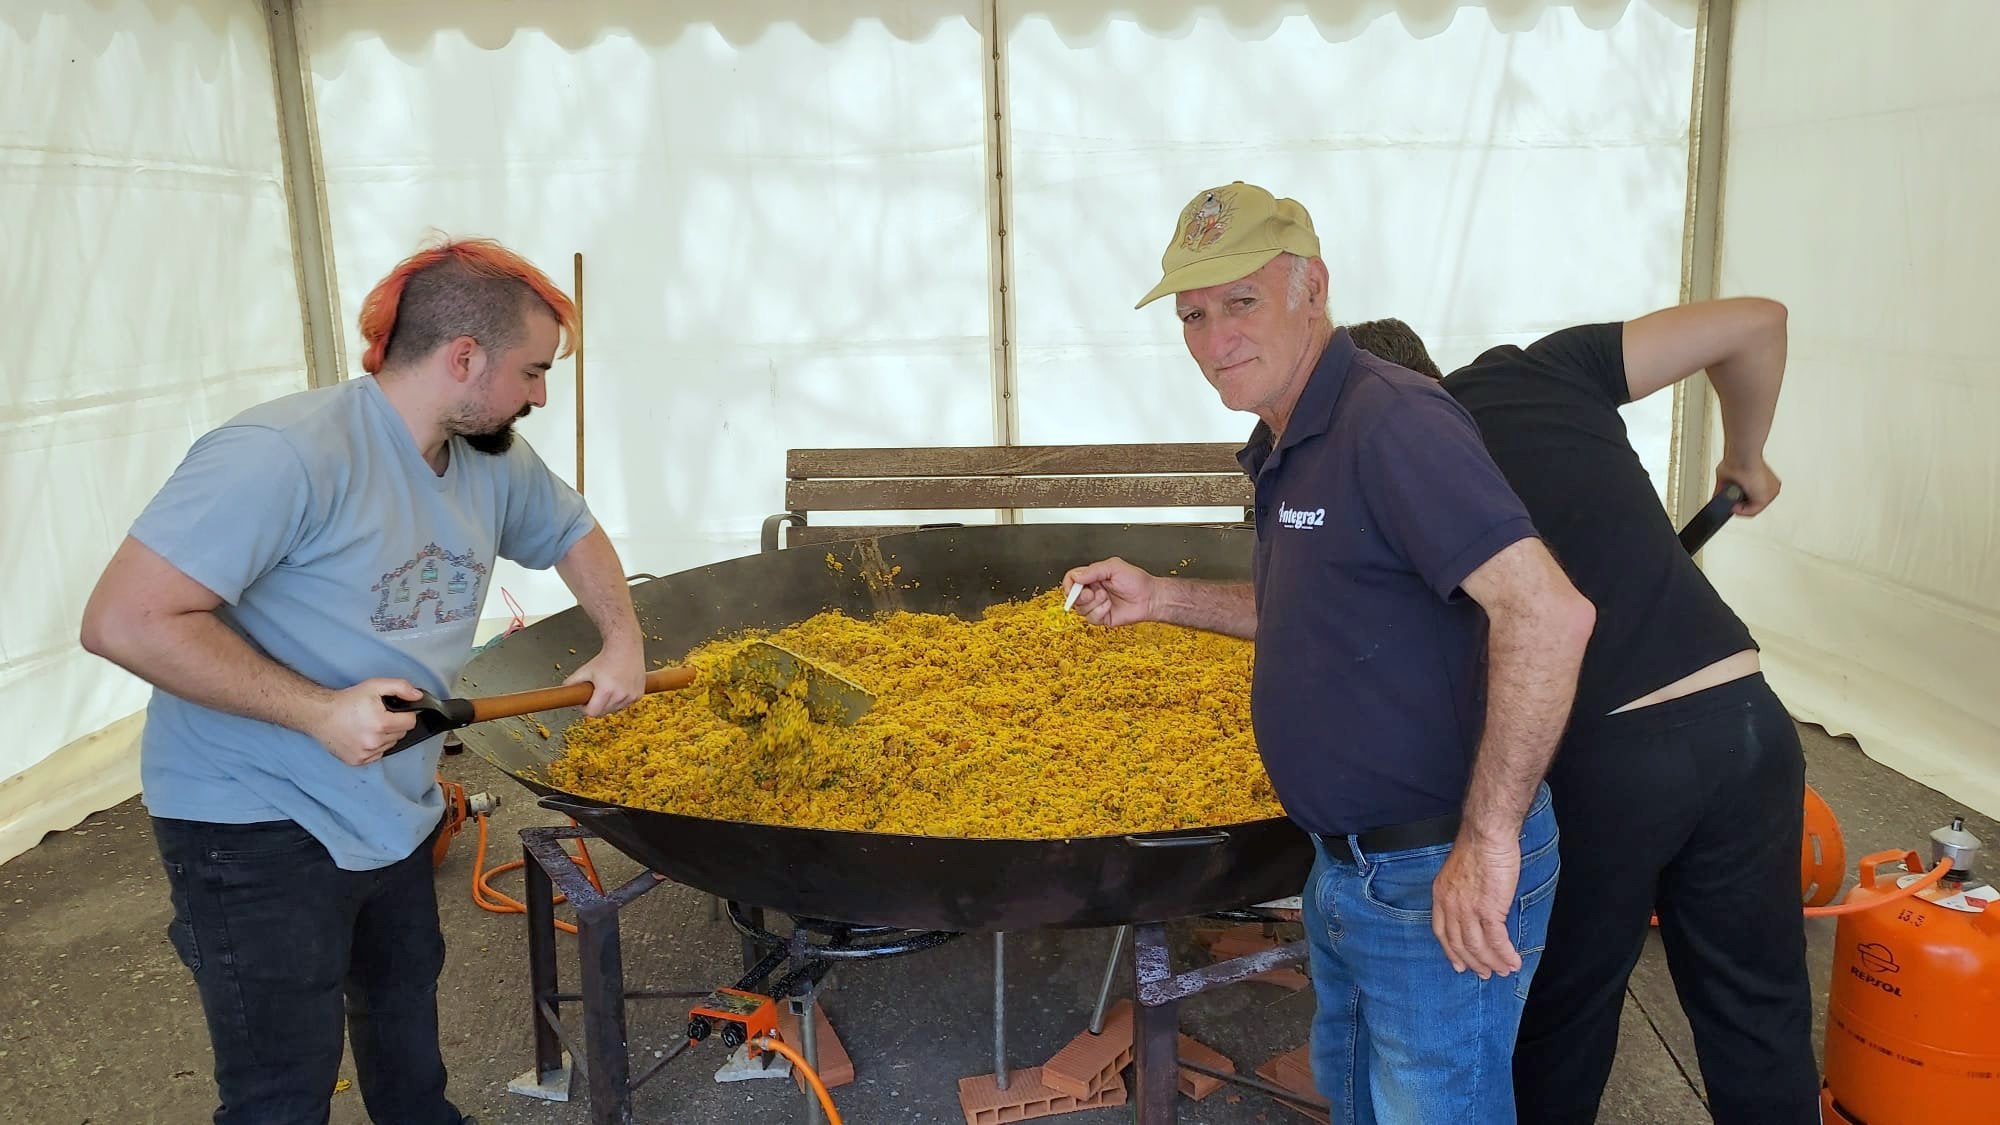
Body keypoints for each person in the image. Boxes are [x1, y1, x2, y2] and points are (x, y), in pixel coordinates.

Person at [79, 238, 649, 1124]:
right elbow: (124, 618)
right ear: (464, 357)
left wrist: (622, 641)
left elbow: (572, 529)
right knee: (281, 1093)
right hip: (253, 819)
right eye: (534, 371)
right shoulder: (284, 451)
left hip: (391, 805)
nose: (540, 395)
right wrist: (314, 712)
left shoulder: (490, 456)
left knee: (408, 1052)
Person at [1066, 182, 1597, 1123]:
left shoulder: (1391, 420)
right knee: (1356, 1101)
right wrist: (1162, 596)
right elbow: (1307, 609)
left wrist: (1486, 843)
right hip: (1347, 871)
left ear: (1312, 287)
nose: (1213, 335)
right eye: (1192, 314)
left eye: (1241, 302)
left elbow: (1548, 613)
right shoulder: (1288, 438)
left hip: (1435, 876)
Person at [1344, 302, 1813, 1125]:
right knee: (1760, 1012)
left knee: (1560, 1013)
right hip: (1747, 719)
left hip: (1608, 760)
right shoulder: (1545, 368)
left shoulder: (1395, 462)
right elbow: (1758, 322)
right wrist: (1747, 457)